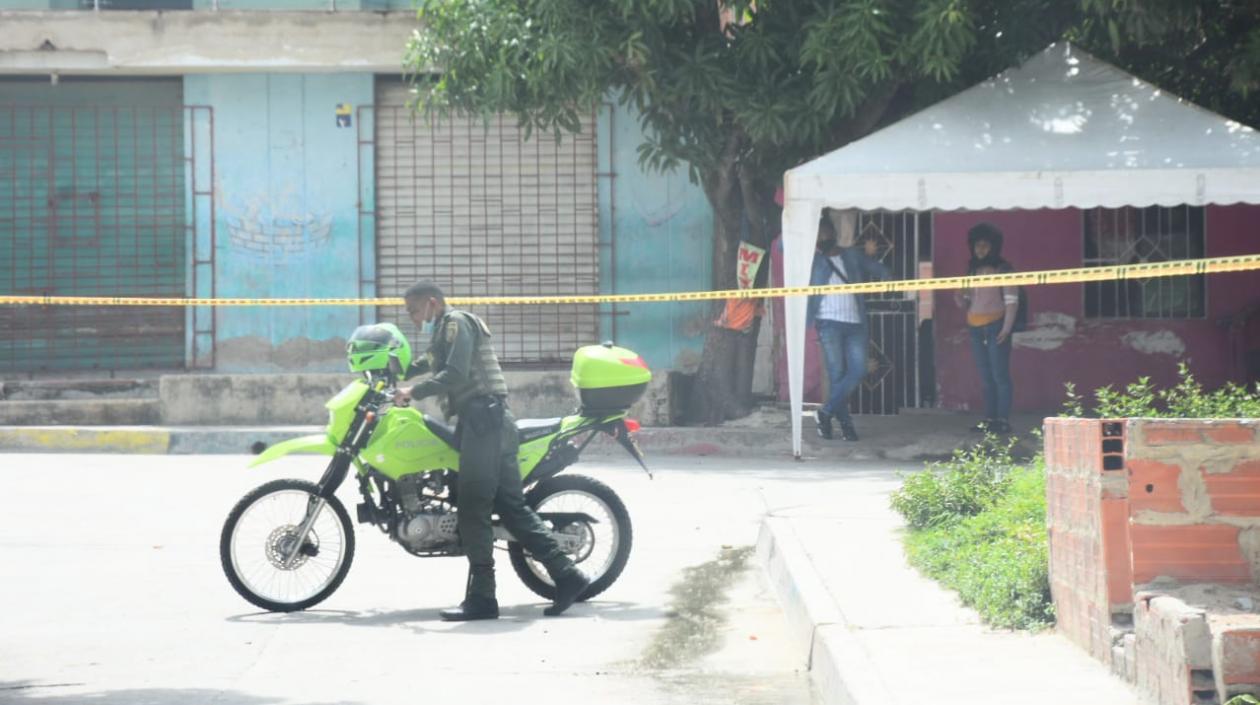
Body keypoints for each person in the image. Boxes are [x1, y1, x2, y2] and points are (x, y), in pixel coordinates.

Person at [393, 281, 589, 621]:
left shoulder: (456, 322)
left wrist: (413, 392)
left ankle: (483, 598)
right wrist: (391, 370)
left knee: (473, 508)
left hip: (484, 422)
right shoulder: (443, 332)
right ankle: (568, 574)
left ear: (431, 303)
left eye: (414, 311)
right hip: (491, 421)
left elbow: (454, 373)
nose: (413, 319)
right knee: (511, 507)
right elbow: (427, 362)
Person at [807, 209, 890, 441]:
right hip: (828, 324)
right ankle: (846, 426)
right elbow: (784, 247)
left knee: (859, 370)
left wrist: (887, 279)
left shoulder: (851, 255)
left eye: (825, 233)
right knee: (837, 375)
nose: (822, 238)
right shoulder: (812, 260)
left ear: (833, 234)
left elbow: (878, 269)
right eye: (817, 235)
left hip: (855, 324)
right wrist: (801, 225)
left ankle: (825, 413)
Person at [955, 223, 1018, 435]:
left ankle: (1002, 420)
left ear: (994, 247)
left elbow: (1012, 301)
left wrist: (1006, 328)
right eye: (977, 245)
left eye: (985, 245)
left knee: (1000, 376)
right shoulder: (971, 270)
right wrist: (959, 295)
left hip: (996, 327)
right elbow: (965, 302)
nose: (980, 249)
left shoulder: (1003, 269)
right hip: (975, 329)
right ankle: (989, 420)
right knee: (985, 378)